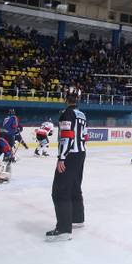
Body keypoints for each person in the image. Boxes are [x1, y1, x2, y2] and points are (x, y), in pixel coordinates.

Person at [47, 94, 88, 242]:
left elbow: (67, 135)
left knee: (60, 190)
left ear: (66, 100)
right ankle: (77, 218)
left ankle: (64, 229)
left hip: (69, 155)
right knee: (75, 186)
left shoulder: (66, 113)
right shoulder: (82, 114)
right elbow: (85, 135)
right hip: (81, 153)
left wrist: (62, 157)